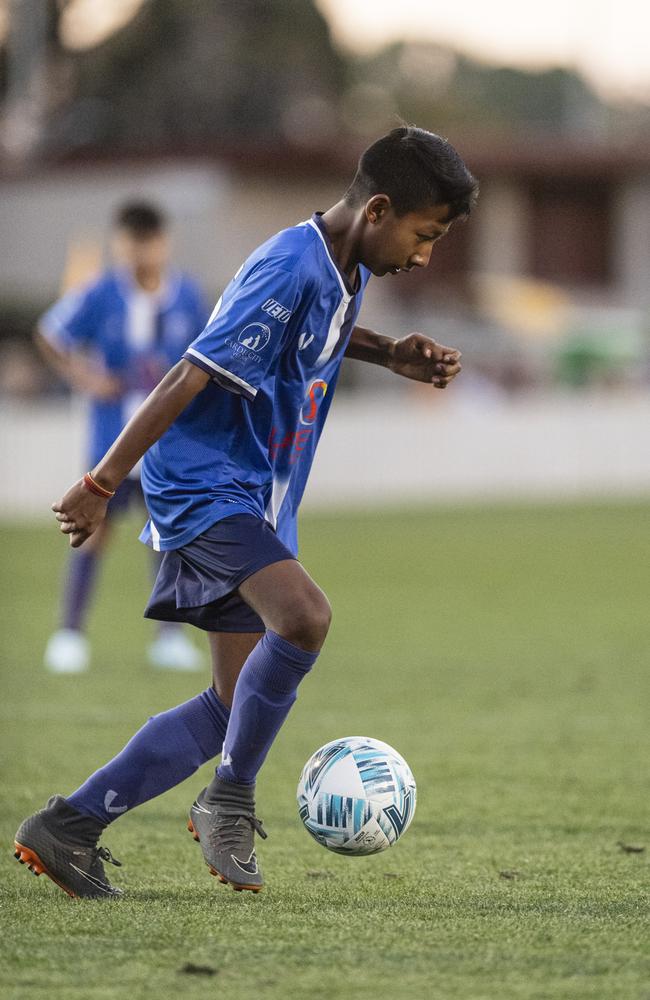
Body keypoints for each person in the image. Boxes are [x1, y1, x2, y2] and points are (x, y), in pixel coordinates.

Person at [14, 127, 478, 898]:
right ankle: (229, 798)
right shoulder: (291, 262)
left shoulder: (339, 263)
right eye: (424, 235)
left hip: (256, 488)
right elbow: (186, 377)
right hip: (204, 481)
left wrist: (389, 352)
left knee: (232, 707)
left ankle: (69, 826)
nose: (425, 254)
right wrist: (100, 485)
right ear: (380, 210)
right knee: (304, 618)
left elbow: (313, 331)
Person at [37, 201, 209, 673]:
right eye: (131, 242)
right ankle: (69, 634)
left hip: (169, 443)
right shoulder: (101, 293)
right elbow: (50, 333)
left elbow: (209, 357)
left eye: (148, 241)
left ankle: (169, 637)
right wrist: (85, 377)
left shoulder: (187, 296)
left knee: (171, 536)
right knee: (92, 533)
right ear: (120, 244)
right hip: (110, 442)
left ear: (163, 243)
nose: (139, 252)